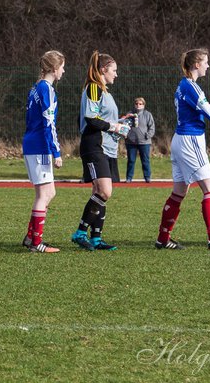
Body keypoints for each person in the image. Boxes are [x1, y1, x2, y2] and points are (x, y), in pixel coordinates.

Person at [155, 48, 210, 250]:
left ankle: (163, 239)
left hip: (180, 140)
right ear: (196, 64)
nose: (208, 66)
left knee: (179, 192)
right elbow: (209, 113)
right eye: (206, 62)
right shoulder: (191, 86)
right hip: (190, 140)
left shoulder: (183, 85)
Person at [72, 52, 133, 250]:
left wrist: (123, 122)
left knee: (99, 192)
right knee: (105, 191)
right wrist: (116, 127)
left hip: (107, 147)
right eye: (114, 70)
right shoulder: (94, 88)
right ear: (103, 70)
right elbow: (91, 118)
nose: (116, 74)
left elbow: (105, 119)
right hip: (94, 145)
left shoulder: (105, 91)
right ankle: (80, 232)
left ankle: (96, 238)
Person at [21, 50, 66, 252]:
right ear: (55, 69)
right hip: (40, 145)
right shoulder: (46, 89)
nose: (63, 71)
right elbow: (49, 122)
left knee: (48, 192)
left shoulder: (35, 88)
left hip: (32, 142)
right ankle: (36, 243)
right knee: (44, 194)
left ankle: (31, 237)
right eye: (62, 67)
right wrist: (55, 151)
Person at [124, 97, 155, 182]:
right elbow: (125, 126)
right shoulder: (130, 114)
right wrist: (125, 135)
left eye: (140, 104)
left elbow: (152, 128)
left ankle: (147, 177)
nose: (138, 105)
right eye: (137, 104)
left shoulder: (148, 114)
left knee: (145, 160)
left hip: (144, 142)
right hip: (131, 142)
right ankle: (129, 178)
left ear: (144, 105)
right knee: (131, 160)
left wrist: (147, 136)